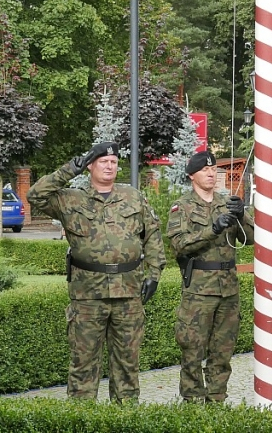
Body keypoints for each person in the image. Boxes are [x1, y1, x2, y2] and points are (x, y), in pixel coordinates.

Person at [27, 141, 165, 402]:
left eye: (113, 162)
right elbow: (35, 195)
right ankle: (82, 422)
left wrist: (155, 273)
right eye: (103, 161)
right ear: (90, 166)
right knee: (83, 365)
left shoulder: (132, 196)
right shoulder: (70, 199)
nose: (110, 166)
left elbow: (152, 234)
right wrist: (70, 169)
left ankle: (124, 423)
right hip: (87, 294)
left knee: (127, 365)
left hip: (128, 292)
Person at [166, 151, 253, 403]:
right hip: (199, 289)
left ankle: (217, 400)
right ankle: (192, 402)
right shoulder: (182, 207)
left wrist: (241, 215)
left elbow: (252, 238)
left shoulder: (227, 203)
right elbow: (179, 244)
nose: (211, 173)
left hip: (228, 289)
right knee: (192, 349)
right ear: (192, 175)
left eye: (214, 169)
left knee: (222, 351)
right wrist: (212, 229)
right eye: (205, 170)